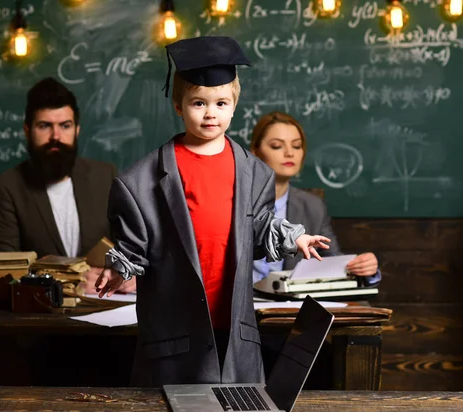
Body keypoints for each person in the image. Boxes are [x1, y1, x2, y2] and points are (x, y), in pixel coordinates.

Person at [94, 36, 331, 387]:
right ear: (178, 104)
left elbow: (261, 224)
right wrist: (119, 268)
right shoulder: (140, 180)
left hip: (234, 328)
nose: (210, 113)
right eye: (198, 103)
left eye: (221, 102)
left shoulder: (256, 173)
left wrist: (295, 237)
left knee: (237, 406)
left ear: (234, 105)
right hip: (176, 333)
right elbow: (134, 241)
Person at [0, 77, 135, 293]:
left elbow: (130, 244)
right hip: (44, 316)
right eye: (44, 126)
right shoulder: (6, 187)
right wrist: (68, 279)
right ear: (27, 131)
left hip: (105, 306)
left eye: (65, 126)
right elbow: (5, 273)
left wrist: (129, 270)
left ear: (76, 130)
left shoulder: (105, 176)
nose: (56, 137)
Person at [249, 111, 381, 285]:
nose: (289, 153)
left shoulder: (312, 206)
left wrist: (365, 268)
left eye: (296, 146)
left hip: (286, 304)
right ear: (256, 152)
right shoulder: (234, 201)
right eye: (276, 146)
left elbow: (332, 260)